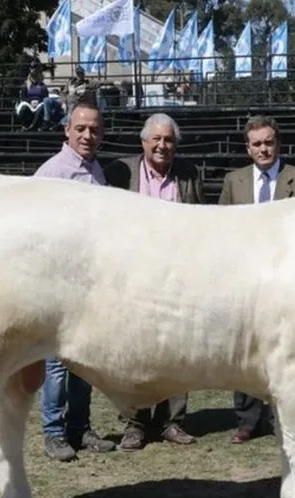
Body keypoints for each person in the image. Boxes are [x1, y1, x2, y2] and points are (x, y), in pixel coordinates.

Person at [104, 113, 203, 451]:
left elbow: (199, 220)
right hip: (134, 278)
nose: (163, 146)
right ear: (143, 142)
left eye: (169, 140)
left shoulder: (188, 174)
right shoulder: (121, 172)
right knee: (136, 352)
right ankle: (135, 424)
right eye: (156, 140)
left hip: (178, 277)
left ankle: (173, 422)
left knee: (179, 350)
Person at [219, 115, 295, 443]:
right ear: (248, 148)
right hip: (245, 283)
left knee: (287, 350)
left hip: (287, 281)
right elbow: (222, 228)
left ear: (278, 143)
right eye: (257, 144)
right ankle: (247, 420)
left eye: (268, 142)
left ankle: (281, 417)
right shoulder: (234, 181)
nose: (263, 149)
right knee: (244, 351)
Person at [33, 101, 117, 461]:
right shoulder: (52, 173)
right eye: (81, 128)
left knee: (83, 363)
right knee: (56, 364)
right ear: (66, 130)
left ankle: (79, 429)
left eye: (94, 129)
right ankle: (53, 433)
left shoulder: (95, 170)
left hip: (89, 284)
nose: (88, 135)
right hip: (58, 282)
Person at [15, 60, 62, 131]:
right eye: (32, 68)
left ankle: (32, 126)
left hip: (39, 103)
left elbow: (45, 97)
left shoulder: (42, 85)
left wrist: (37, 101)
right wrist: (31, 101)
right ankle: (24, 125)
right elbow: (23, 97)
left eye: (35, 68)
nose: (33, 70)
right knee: (24, 108)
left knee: (42, 107)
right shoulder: (26, 84)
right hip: (28, 103)